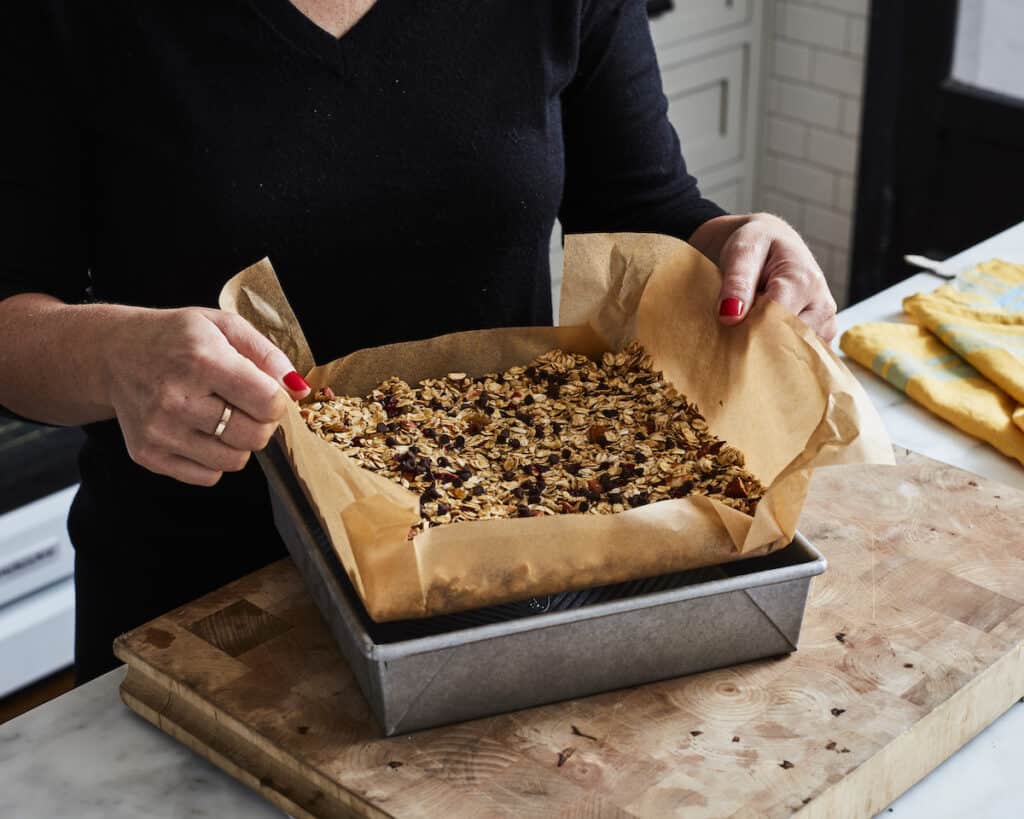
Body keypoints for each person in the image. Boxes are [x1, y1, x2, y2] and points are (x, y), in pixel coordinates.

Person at [0, 0, 837, 684]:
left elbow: (647, 210)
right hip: (208, 609)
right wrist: (113, 356)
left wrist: (743, 252)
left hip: (512, 573)